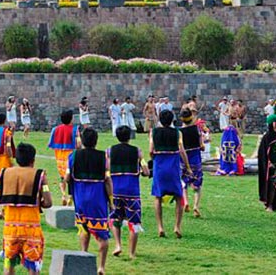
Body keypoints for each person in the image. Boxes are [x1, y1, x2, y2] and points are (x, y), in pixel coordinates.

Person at [0, 143, 52, 275]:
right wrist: (42, 192)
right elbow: (48, 202)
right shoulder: (40, 175)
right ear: (33, 160)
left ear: (17, 158)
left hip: (10, 229)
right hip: (31, 230)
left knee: (9, 265)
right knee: (33, 267)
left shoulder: (4, 173)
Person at [67, 127, 112, 274]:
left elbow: (67, 177)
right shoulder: (103, 157)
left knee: (83, 229)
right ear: (96, 141)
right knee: (102, 234)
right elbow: (107, 179)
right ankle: (101, 266)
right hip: (97, 199)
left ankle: (84, 255)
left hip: (80, 198)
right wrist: (111, 201)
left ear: (82, 140)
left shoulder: (73, 156)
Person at [108, 125, 148, 260]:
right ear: (129, 136)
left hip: (115, 190)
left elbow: (106, 170)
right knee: (134, 222)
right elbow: (145, 169)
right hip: (132, 191)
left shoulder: (109, 151)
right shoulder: (137, 151)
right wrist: (144, 171)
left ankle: (118, 245)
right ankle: (132, 252)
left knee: (114, 218)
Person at [150, 109, 191, 238]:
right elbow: (182, 151)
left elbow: (151, 151)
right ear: (172, 119)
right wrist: (188, 167)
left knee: (158, 196)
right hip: (173, 168)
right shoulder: (177, 133)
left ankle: (160, 227)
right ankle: (177, 226)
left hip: (159, 167)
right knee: (179, 196)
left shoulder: (154, 132)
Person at [48, 109, 80, 206]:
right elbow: (78, 143)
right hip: (70, 154)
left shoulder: (55, 129)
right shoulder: (75, 129)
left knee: (62, 177)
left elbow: (51, 143)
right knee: (71, 175)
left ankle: (63, 195)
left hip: (59, 156)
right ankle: (70, 196)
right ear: (71, 119)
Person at [179, 108, 204, 218]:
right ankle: (196, 206)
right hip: (195, 160)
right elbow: (202, 146)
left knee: (184, 182)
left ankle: (186, 202)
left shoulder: (179, 132)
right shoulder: (196, 129)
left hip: (183, 161)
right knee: (197, 185)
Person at [257, 114, 276, 211]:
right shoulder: (268, 137)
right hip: (270, 167)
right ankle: (270, 205)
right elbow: (263, 154)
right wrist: (270, 163)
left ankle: (275, 204)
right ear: (274, 123)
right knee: (272, 185)